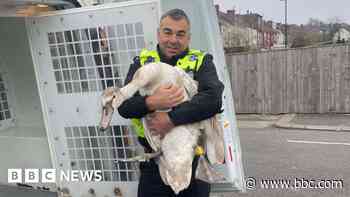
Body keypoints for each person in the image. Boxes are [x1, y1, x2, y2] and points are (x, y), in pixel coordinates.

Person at [118, 8, 224, 197]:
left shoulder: (201, 61)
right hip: (154, 162)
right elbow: (124, 107)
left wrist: (170, 119)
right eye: (167, 32)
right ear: (158, 34)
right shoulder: (142, 62)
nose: (173, 40)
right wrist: (151, 101)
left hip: (194, 161)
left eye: (180, 34)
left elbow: (213, 99)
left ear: (188, 38)